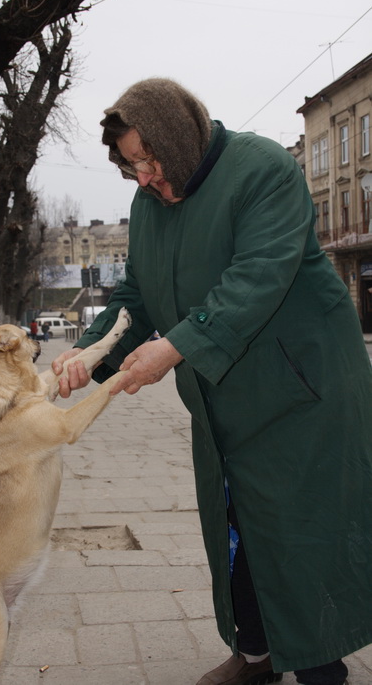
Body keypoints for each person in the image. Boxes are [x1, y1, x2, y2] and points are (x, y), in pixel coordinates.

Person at [52, 78, 372, 685]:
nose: (142, 177)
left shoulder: (263, 171)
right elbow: (136, 293)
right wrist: (87, 353)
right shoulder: (150, 204)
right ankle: (256, 656)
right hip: (225, 398)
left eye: (147, 160)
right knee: (236, 526)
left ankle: (322, 669)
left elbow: (255, 279)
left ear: (177, 138)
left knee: (301, 534)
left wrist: (171, 349)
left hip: (302, 390)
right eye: (130, 166)